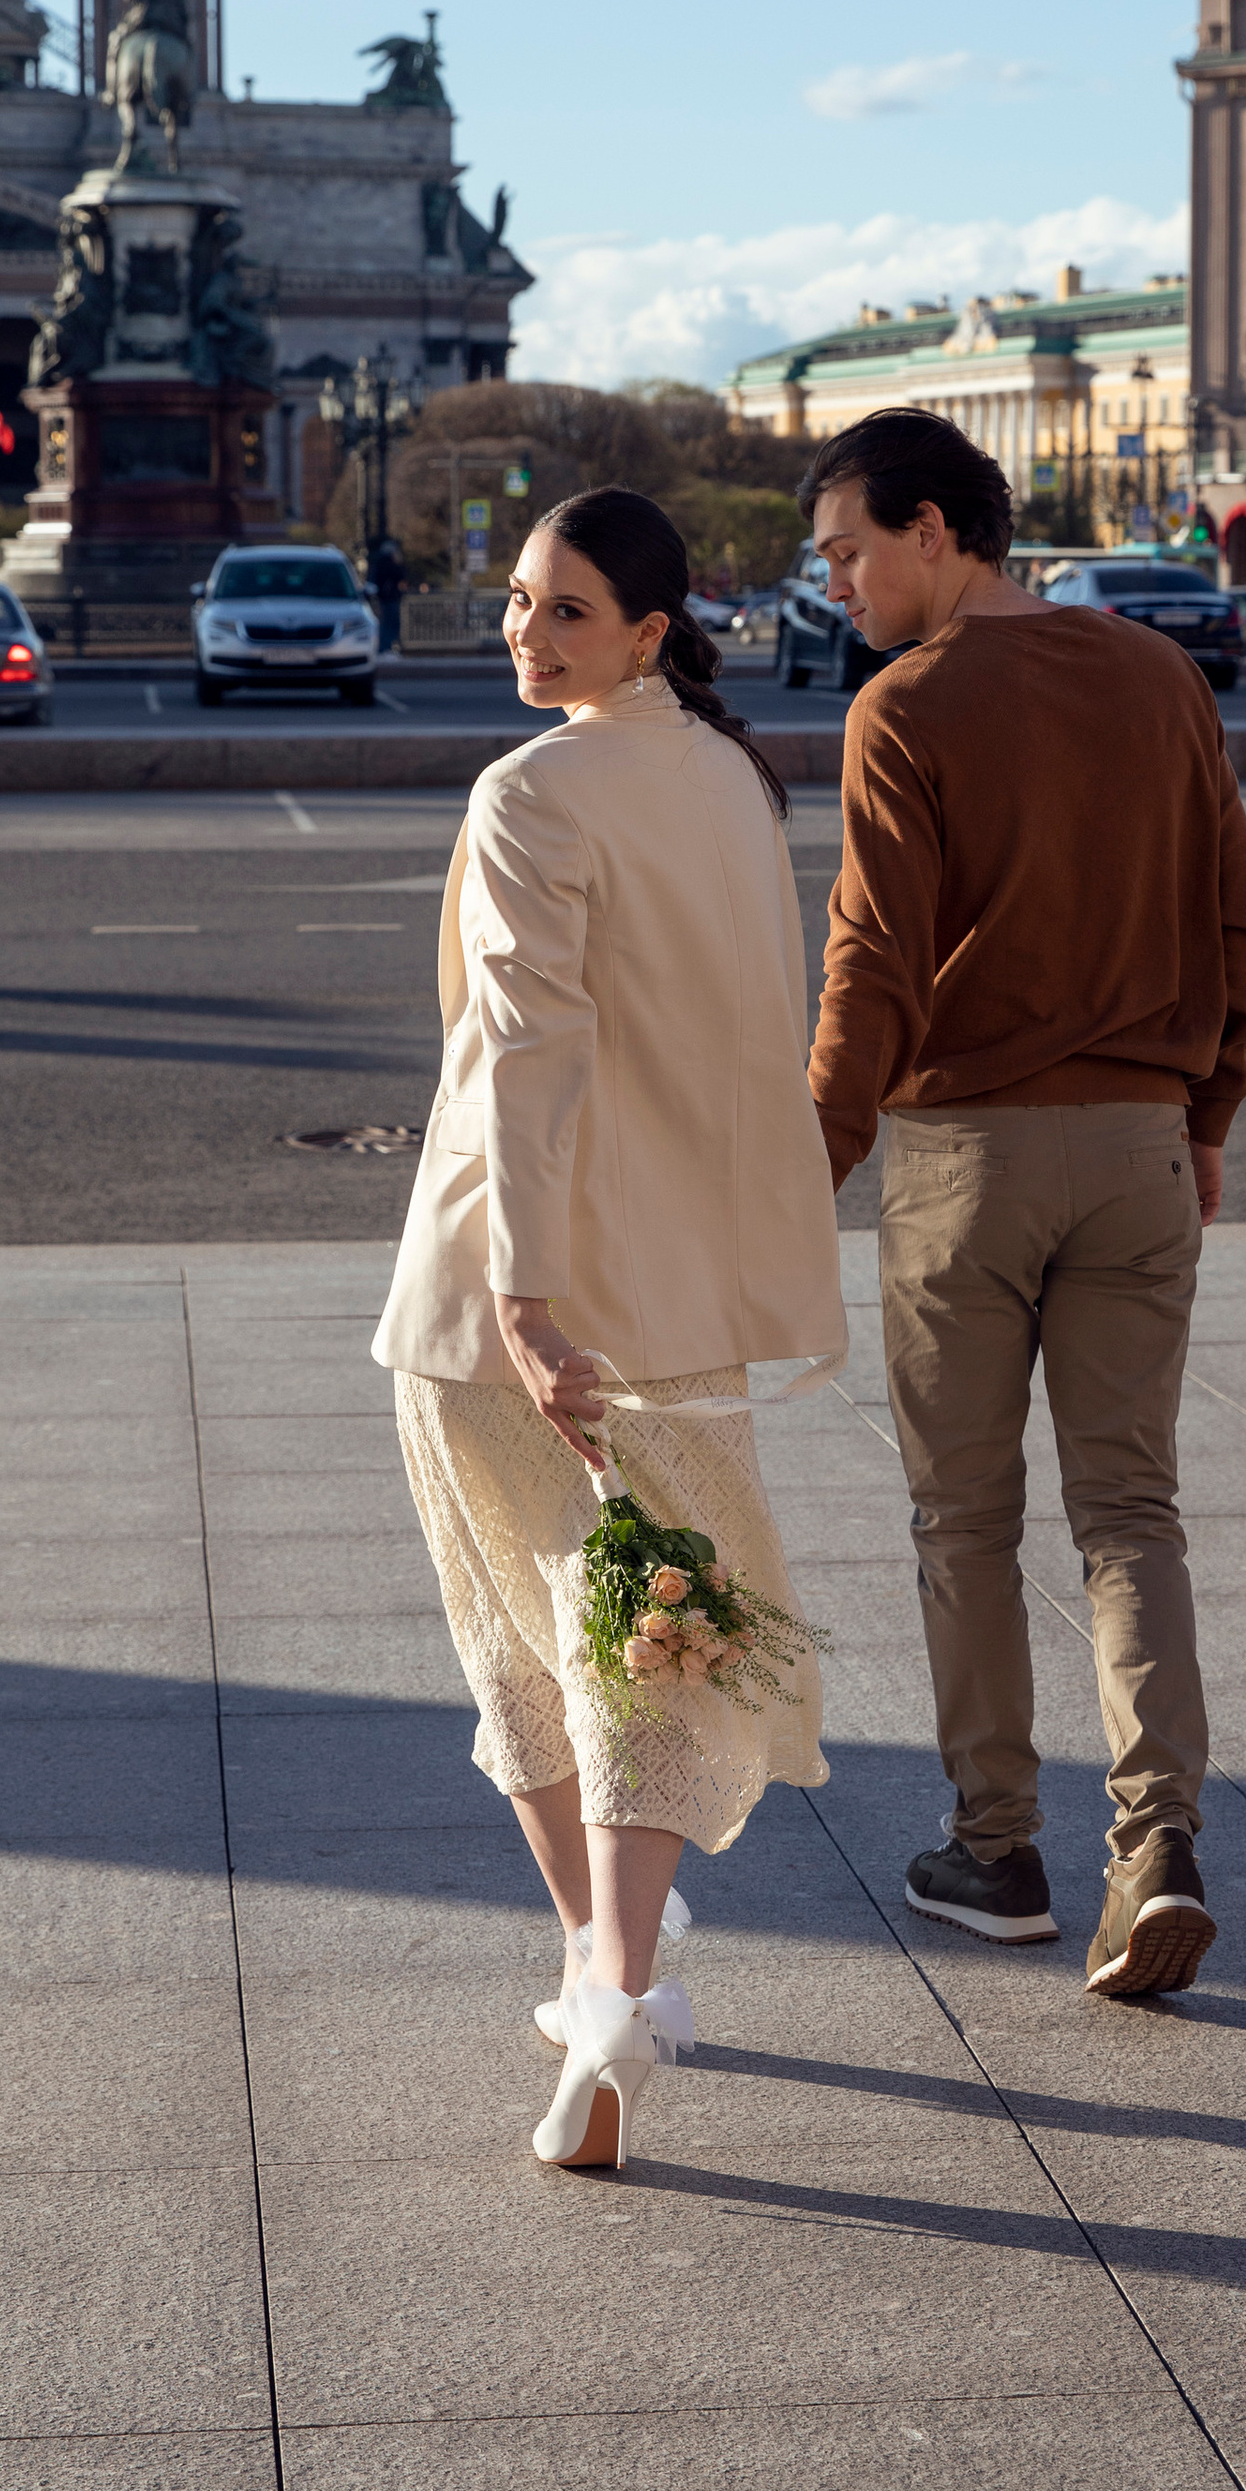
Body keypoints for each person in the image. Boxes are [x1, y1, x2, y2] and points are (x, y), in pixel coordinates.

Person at [375, 486, 845, 2167]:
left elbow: (532, 1052)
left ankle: (598, 1972)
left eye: (565, 608)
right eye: (515, 599)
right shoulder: (729, 774)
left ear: (651, 626)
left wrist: (520, 1289)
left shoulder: (531, 790)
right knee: (660, 1621)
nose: (524, 628)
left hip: (518, 1291)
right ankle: (620, 1981)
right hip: (683, 1293)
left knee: (525, 1632)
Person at [802, 411, 1246, 1995]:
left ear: (936, 529)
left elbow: (873, 962)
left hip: (964, 1163)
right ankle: (1157, 1846)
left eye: (852, 552)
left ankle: (996, 1846)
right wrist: (1199, 1115)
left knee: (964, 1518)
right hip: (1144, 1148)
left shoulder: (906, 708)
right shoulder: (1158, 678)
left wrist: (814, 1153)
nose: (841, 587)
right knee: (1130, 1513)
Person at [366, 527, 406, 654]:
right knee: (391, 623)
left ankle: (386, 646)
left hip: (384, 597)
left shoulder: (378, 563)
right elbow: (400, 575)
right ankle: (386, 647)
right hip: (391, 597)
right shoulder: (390, 564)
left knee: (386, 622)